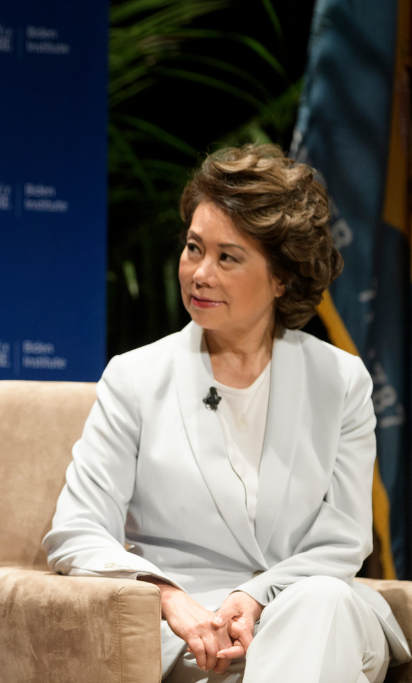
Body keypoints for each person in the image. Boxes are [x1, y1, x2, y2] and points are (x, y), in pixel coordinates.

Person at [44, 145, 411, 683]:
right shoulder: (136, 378)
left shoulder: (340, 381)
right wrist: (166, 596)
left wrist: (257, 595)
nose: (199, 273)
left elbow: (343, 541)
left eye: (227, 257)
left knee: (319, 604)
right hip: (197, 631)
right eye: (193, 249)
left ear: (282, 277)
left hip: (313, 608)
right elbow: (75, 531)